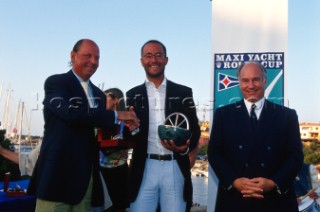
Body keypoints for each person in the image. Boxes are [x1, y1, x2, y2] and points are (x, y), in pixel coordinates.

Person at [29, 39, 139, 211]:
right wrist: (118, 115)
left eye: (97, 58)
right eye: (88, 55)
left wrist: (127, 125)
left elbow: (97, 130)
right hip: (56, 177)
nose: (93, 61)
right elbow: (72, 114)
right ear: (73, 56)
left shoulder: (99, 95)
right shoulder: (56, 83)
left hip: (86, 180)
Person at [207, 61, 304, 212]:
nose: (251, 85)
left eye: (256, 79)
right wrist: (234, 181)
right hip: (235, 200)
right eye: (245, 80)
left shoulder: (287, 115)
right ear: (239, 83)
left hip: (276, 202)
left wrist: (273, 183)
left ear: (265, 81)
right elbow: (214, 153)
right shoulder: (223, 115)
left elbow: (295, 156)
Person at [126, 40, 201, 212]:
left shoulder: (183, 92)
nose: (154, 60)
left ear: (166, 60)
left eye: (158, 55)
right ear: (142, 61)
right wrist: (131, 129)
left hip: (175, 167)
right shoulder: (132, 94)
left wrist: (184, 147)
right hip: (144, 167)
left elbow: (194, 130)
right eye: (149, 56)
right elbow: (130, 137)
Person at [100, 88, 130, 212]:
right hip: (101, 169)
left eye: (105, 97)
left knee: (119, 206)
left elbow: (135, 137)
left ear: (116, 100)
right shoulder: (99, 118)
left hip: (119, 169)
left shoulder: (126, 119)